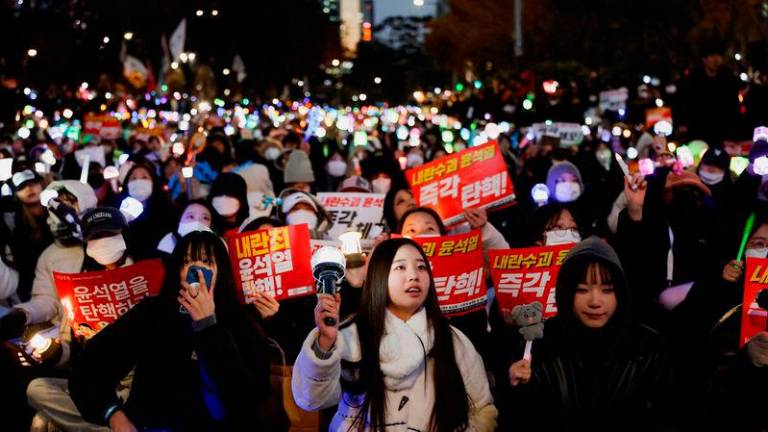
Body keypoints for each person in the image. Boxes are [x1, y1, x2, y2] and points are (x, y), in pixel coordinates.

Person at [69, 231, 271, 431]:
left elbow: (251, 396)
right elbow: (88, 369)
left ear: (221, 271)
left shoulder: (240, 321)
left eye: (207, 262)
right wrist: (113, 413)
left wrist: (208, 327)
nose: (197, 270)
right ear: (177, 270)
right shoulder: (153, 312)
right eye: (186, 261)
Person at [292, 238, 497, 431]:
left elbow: (481, 408)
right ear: (379, 275)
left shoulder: (452, 339)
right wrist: (325, 344)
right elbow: (311, 399)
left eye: (421, 267)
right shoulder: (350, 335)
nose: (413, 275)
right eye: (400, 267)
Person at [505, 237, 680, 430]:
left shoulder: (648, 348)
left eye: (607, 290)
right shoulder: (539, 343)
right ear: (566, 292)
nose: (595, 301)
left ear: (620, 293)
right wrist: (520, 390)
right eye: (582, 289)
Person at [116, 157, 177, 260]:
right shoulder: (117, 212)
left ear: (153, 182)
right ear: (127, 184)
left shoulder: (168, 211)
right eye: (134, 178)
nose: (139, 181)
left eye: (144, 177)